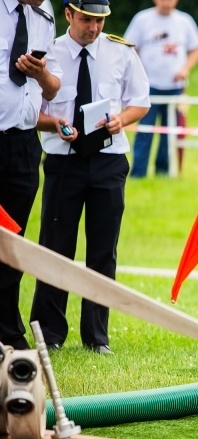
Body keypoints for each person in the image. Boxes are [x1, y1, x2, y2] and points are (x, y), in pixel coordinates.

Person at [30, 0, 150, 354]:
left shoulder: (121, 52)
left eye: (99, 21)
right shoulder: (47, 53)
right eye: (86, 19)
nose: (93, 28)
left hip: (108, 161)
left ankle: (96, 336)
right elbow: (27, 110)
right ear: (68, 14)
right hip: (62, 161)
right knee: (55, 248)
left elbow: (140, 101)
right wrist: (54, 123)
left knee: (102, 250)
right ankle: (50, 333)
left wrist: (121, 120)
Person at [0, 0, 61, 351]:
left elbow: (50, 90)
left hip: (24, 144)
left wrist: (39, 73)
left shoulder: (45, 13)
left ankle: (8, 332)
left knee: (13, 243)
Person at [124, 0, 198, 178]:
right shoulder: (142, 19)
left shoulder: (185, 21)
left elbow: (196, 50)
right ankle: (138, 172)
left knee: (170, 133)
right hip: (148, 88)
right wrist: (138, 72)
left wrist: (185, 69)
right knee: (145, 130)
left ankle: (164, 172)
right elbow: (129, 49)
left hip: (175, 89)